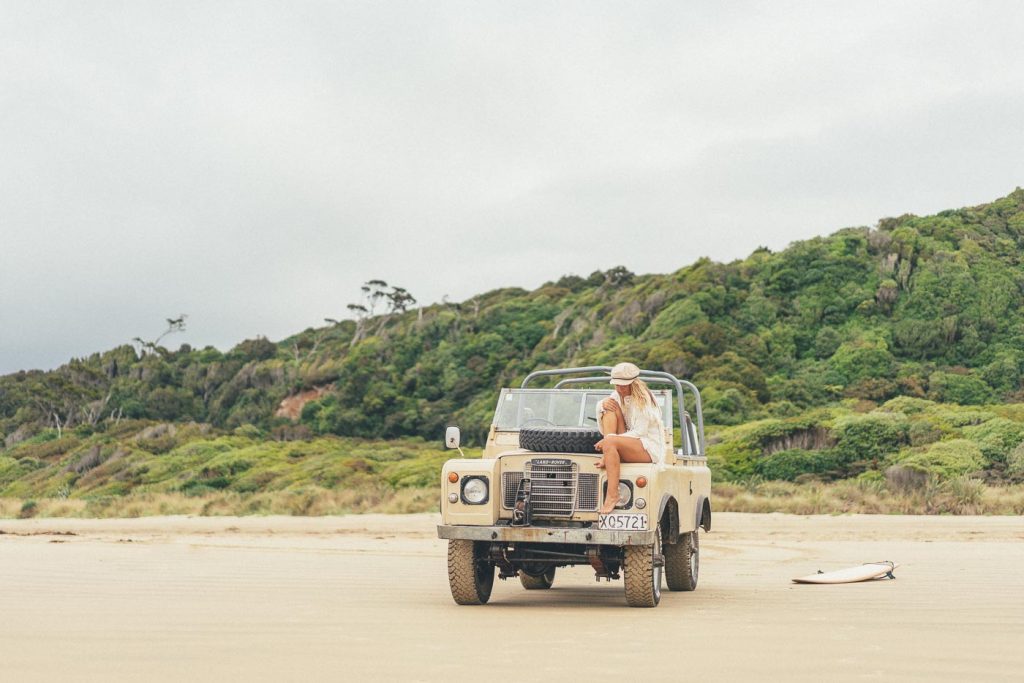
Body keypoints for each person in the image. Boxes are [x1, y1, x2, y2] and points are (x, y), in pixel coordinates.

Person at [594, 362, 665, 515]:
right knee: (608, 407)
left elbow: (639, 432)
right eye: (617, 385)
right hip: (628, 441)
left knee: (610, 441)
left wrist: (610, 440)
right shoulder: (617, 395)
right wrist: (601, 405)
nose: (620, 389)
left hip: (648, 448)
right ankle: (609, 452)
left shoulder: (644, 399)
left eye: (624, 385)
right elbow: (604, 422)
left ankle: (613, 495)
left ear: (634, 383)